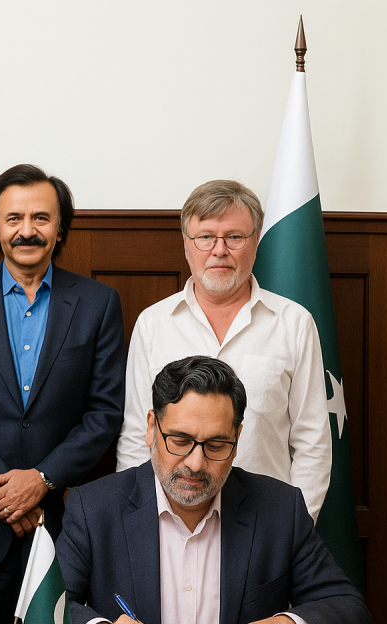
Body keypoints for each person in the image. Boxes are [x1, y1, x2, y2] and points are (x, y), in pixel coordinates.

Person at [58, 356, 370, 624]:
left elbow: (349, 606)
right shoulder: (93, 507)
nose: (195, 463)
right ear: (152, 428)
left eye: (217, 445)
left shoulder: (279, 509)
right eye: (180, 441)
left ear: (236, 442)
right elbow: (51, 607)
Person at [0, 164, 126, 624]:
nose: (27, 230)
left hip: (64, 523)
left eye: (41, 218)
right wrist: (4, 495)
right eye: (13, 218)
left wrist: (41, 481)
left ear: (60, 229)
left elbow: (104, 412)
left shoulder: (98, 303)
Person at [115, 180, 331, 522]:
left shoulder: (295, 323)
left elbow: (313, 444)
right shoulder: (153, 323)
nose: (219, 250)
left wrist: (293, 529)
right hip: (169, 519)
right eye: (205, 237)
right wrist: (137, 521)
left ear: (255, 242)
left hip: (265, 522)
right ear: (186, 244)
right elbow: (135, 437)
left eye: (234, 237)